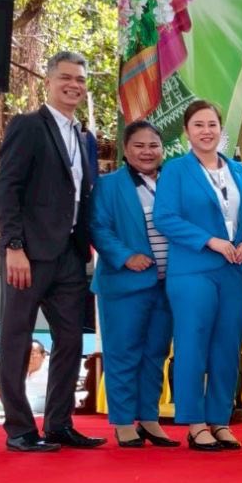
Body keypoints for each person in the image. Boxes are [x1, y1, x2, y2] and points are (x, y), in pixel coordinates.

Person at [0, 50, 101, 454]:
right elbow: (7, 189)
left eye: (80, 80)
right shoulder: (28, 126)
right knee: (17, 339)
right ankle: (20, 428)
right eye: (66, 78)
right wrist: (14, 247)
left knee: (71, 339)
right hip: (29, 255)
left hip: (70, 256)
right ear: (49, 81)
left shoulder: (83, 136)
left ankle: (58, 424)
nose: (74, 85)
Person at [151, 101, 242, 452]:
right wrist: (209, 240)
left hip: (234, 272)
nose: (206, 131)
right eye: (198, 125)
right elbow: (165, 218)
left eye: (212, 124)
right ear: (187, 132)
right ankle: (195, 423)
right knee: (193, 344)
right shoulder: (176, 171)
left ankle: (220, 420)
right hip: (193, 269)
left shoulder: (239, 172)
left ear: (221, 130)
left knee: (228, 346)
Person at [89, 119, 178, 449]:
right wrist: (126, 256)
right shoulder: (109, 185)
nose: (147, 152)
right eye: (139, 146)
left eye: (153, 145)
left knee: (155, 353)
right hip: (124, 283)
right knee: (123, 353)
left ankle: (149, 418)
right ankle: (124, 421)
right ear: (126, 150)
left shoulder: (172, 181)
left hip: (167, 284)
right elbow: (98, 227)